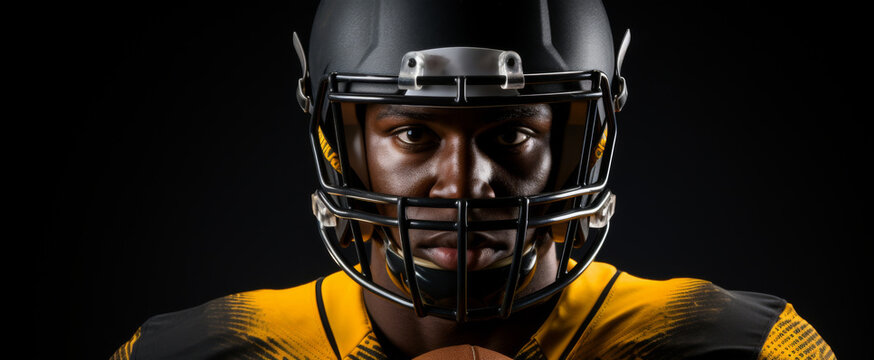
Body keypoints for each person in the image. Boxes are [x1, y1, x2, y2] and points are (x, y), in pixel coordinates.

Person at [111, 1, 836, 359]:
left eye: (512, 133)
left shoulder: (732, 346)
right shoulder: (210, 350)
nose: (464, 185)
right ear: (343, 144)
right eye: (414, 133)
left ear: (583, 139)